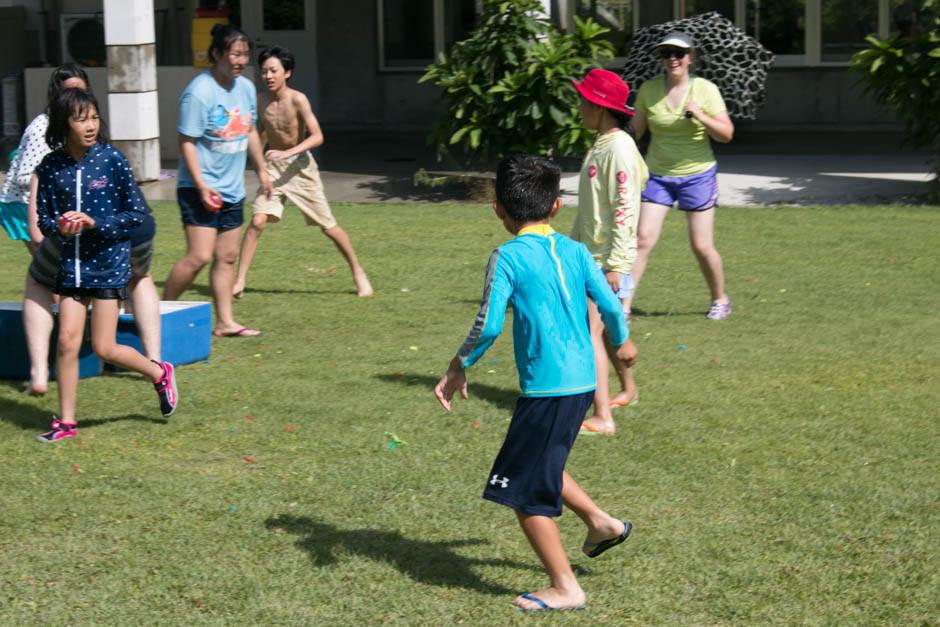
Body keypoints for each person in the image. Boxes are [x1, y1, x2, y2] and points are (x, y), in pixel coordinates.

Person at [433, 154, 638, 612]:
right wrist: (622, 344)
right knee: (542, 463)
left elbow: (488, 325)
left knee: (522, 488)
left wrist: (458, 364)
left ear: (497, 208)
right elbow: (609, 304)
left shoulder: (506, 256)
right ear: (557, 207)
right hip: (583, 383)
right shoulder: (577, 251)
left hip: (548, 388)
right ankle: (601, 523)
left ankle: (566, 587)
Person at [33, 88, 178, 442]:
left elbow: (136, 215)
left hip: (108, 266)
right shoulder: (51, 167)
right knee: (66, 341)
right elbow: (44, 220)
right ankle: (66, 423)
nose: (90, 125)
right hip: (72, 267)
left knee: (104, 347)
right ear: (63, 124)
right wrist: (62, 226)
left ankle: (158, 374)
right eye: (81, 119)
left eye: (94, 117)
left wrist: (96, 223)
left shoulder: (112, 160)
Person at [233, 45, 373, 299]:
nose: (268, 76)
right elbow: (259, 136)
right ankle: (240, 280)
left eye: (274, 71)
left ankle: (358, 272)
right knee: (257, 221)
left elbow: (317, 136)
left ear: (287, 72)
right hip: (274, 169)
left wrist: (288, 153)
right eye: (264, 72)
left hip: (300, 168)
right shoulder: (260, 101)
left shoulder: (298, 99)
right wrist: (259, 166)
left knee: (328, 227)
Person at [163, 24, 272, 337]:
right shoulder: (198, 93)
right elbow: (186, 141)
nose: (240, 61)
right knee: (198, 256)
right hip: (200, 187)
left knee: (226, 256)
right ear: (216, 54)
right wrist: (200, 185)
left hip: (232, 188)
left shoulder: (246, 88)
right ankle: (158, 312)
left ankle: (225, 323)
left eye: (245, 55)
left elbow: (250, 129)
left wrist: (261, 169)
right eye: (234, 54)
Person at [630, 31, 734, 320]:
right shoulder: (648, 90)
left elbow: (726, 134)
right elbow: (636, 132)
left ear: (691, 58)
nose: (672, 58)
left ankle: (719, 299)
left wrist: (701, 116)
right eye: (666, 54)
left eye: (678, 53)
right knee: (642, 239)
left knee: (701, 245)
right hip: (658, 175)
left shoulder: (705, 90)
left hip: (697, 175)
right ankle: (623, 306)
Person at [571, 69, 649, 434]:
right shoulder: (604, 143)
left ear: (600, 106)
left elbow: (624, 209)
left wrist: (616, 265)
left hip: (605, 260)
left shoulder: (617, 148)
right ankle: (628, 390)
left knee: (590, 332)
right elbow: (590, 210)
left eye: (583, 100)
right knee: (602, 331)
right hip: (590, 254)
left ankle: (603, 417)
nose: (579, 106)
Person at [1, 64, 90, 255]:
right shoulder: (42, 128)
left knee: (54, 270)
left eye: (81, 91)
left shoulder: (74, 124)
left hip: (47, 206)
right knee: (52, 268)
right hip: (22, 205)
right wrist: (62, 179)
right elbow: (23, 177)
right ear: (56, 94)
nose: (75, 97)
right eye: (69, 91)